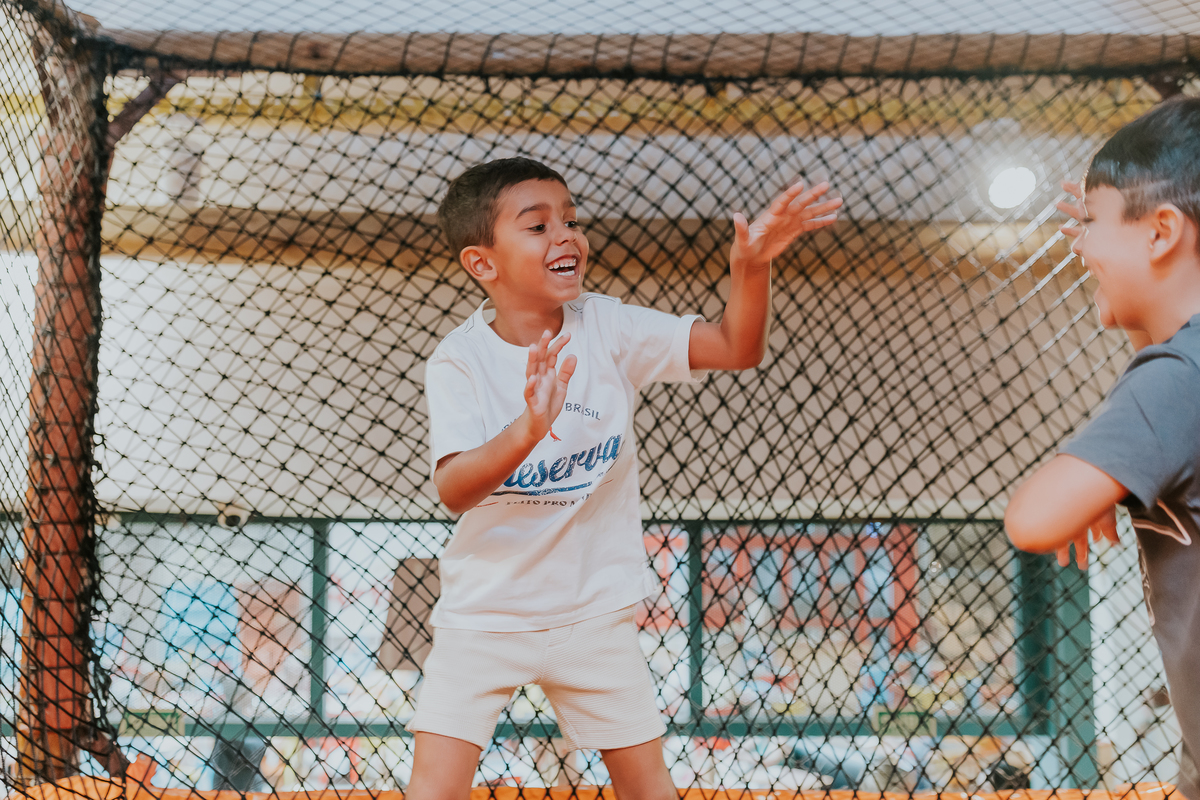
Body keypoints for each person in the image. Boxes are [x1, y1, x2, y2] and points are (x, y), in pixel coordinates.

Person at [407, 157, 841, 799]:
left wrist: (751, 267)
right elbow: (455, 489)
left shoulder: (607, 327)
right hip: (486, 615)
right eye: (537, 225)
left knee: (649, 791)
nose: (567, 236)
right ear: (483, 263)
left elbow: (735, 348)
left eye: (571, 220)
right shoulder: (459, 361)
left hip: (592, 613)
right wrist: (528, 429)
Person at [1005, 97, 1200, 800]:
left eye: (1088, 225)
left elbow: (1034, 519)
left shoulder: (1178, 380)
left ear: (1162, 233)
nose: (1077, 246)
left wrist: (1095, 474)